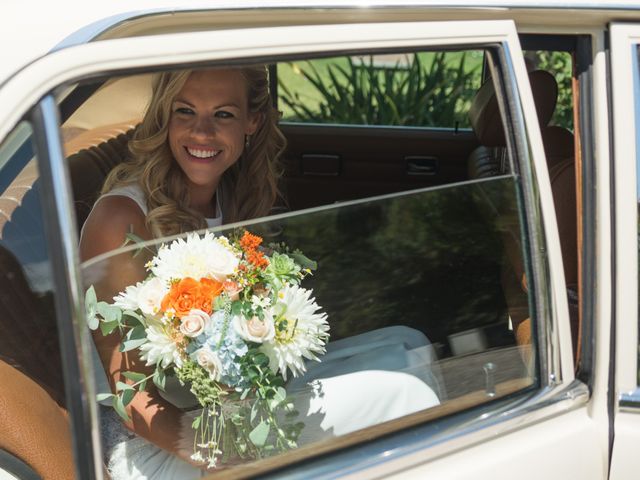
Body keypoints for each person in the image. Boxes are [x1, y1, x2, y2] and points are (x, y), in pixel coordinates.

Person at [80, 66, 441, 479]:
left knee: (410, 347)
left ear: (251, 121)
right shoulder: (122, 221)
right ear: (165, 117)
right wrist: (205, 450)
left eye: (223, 115)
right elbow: (130, 395)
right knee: (407, 393)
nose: (202, 132)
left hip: (229, 407)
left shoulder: (227, 197)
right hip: (157, 444)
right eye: (185, 112)